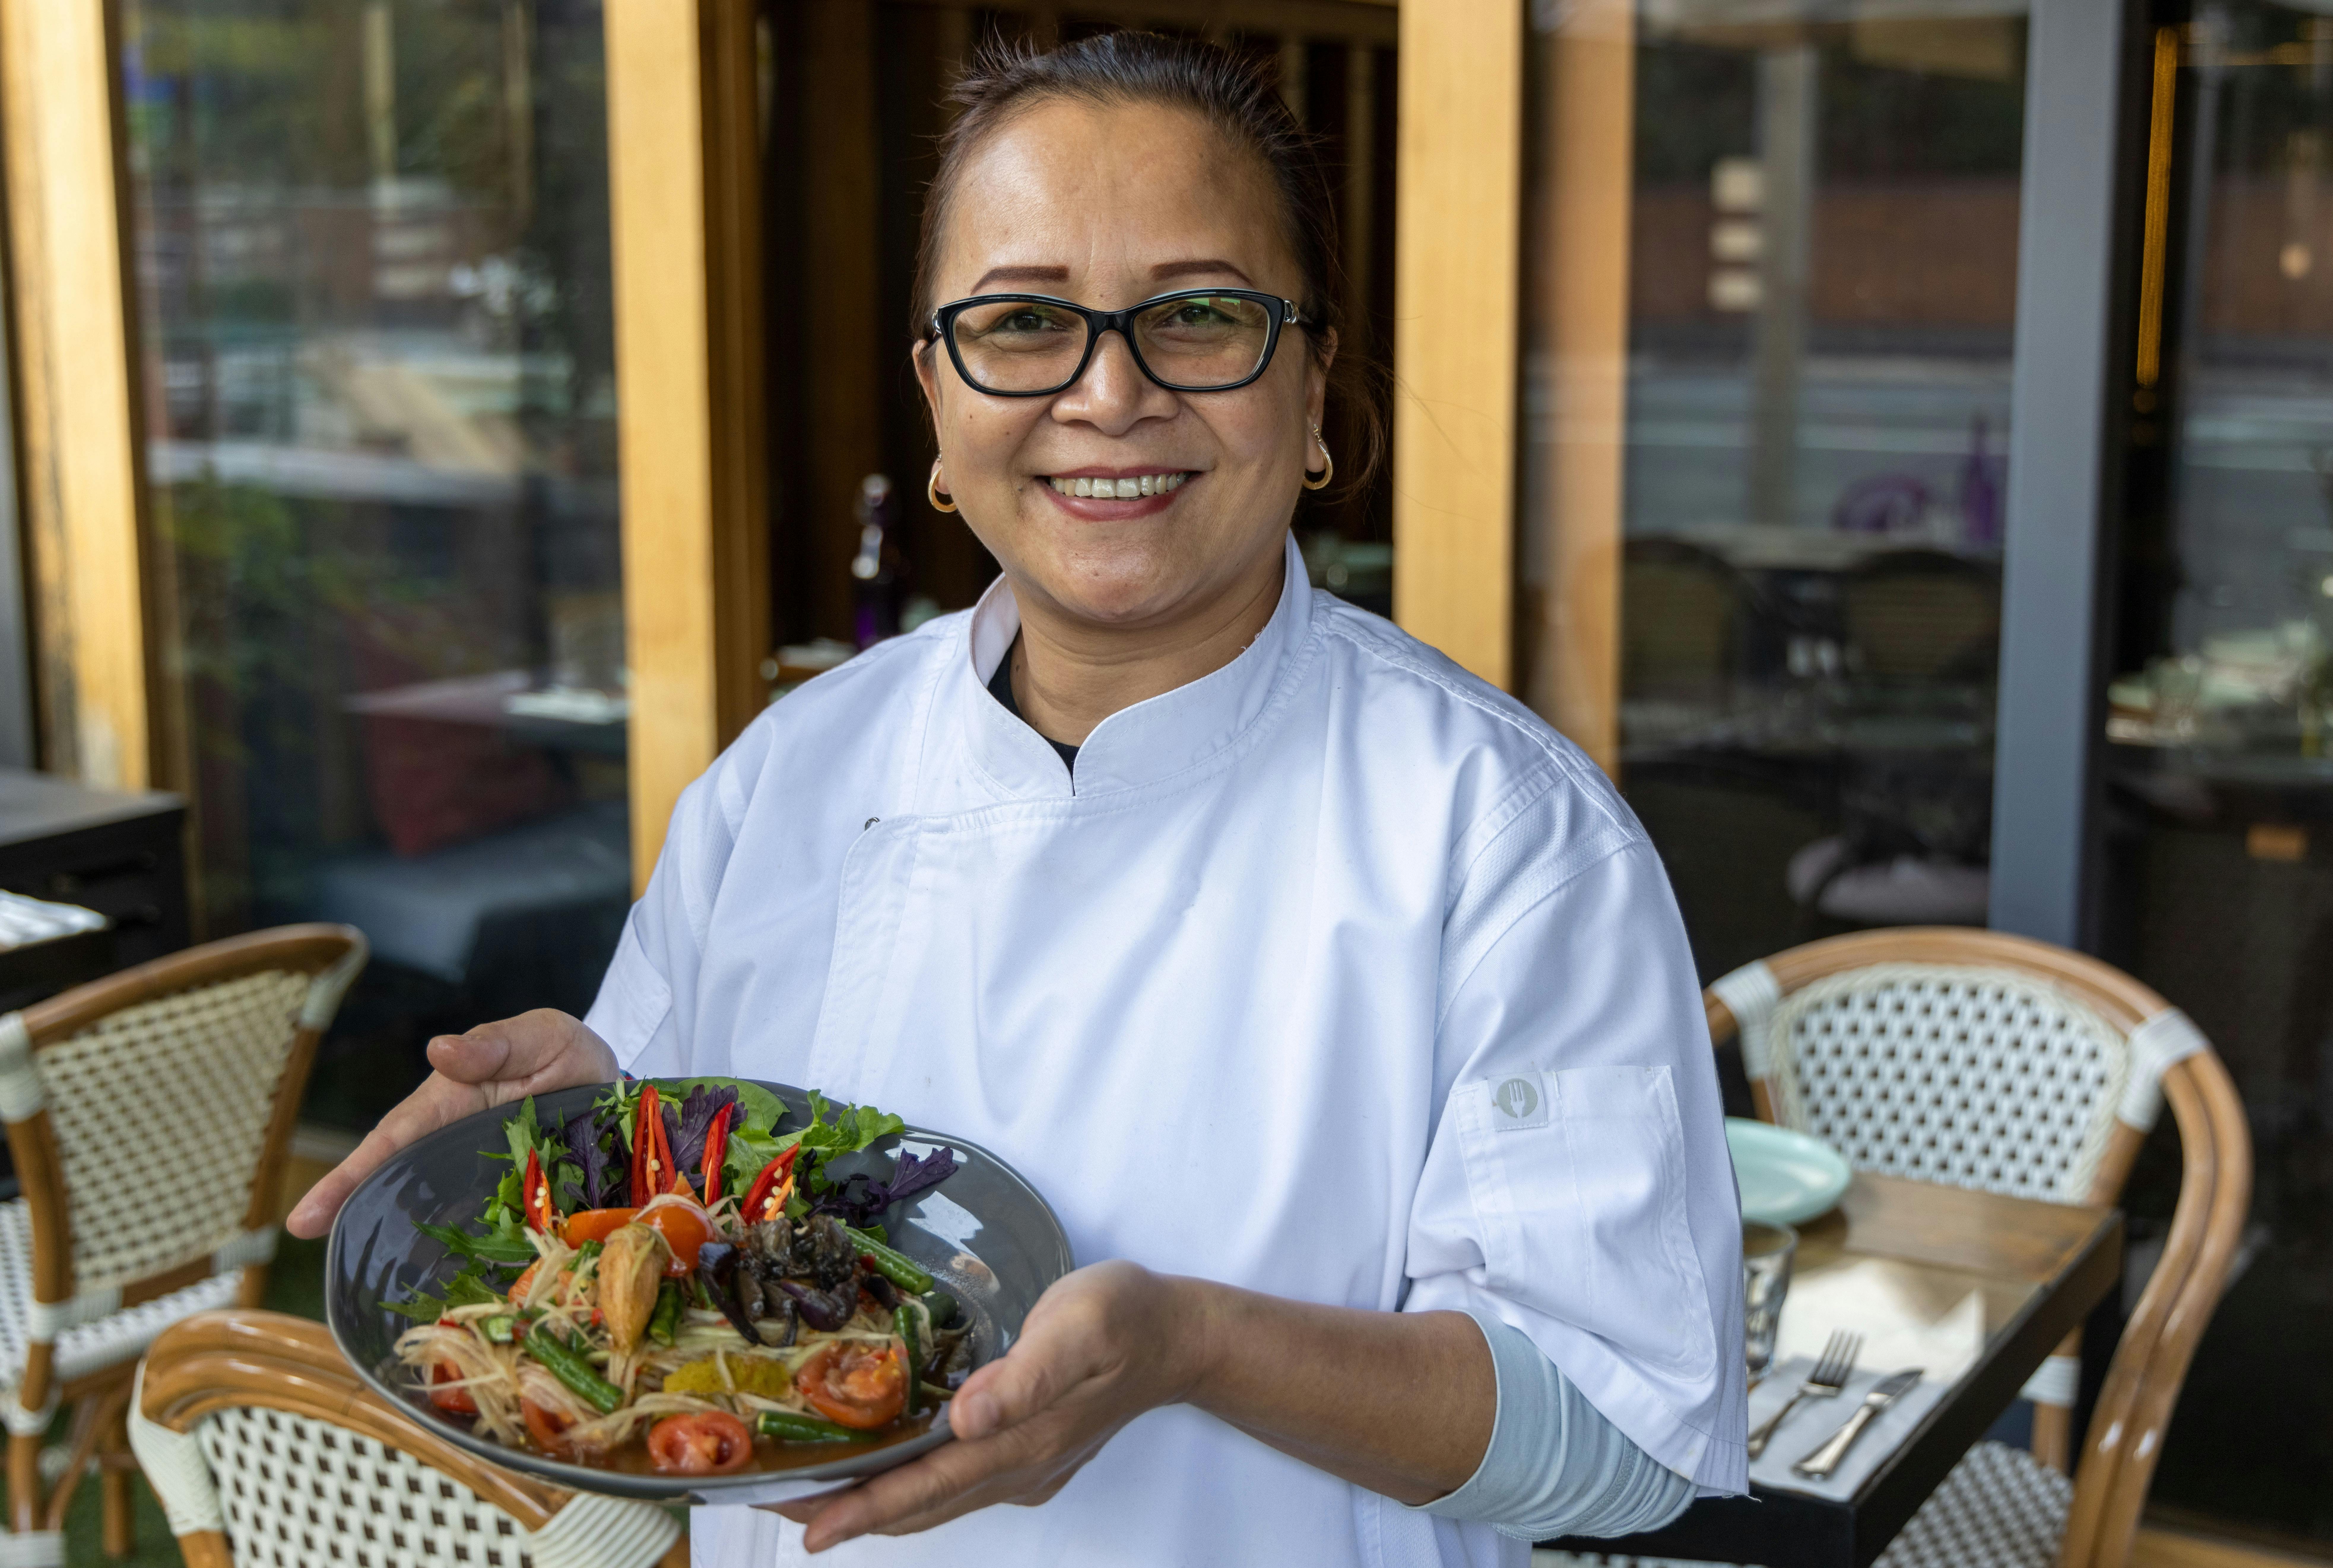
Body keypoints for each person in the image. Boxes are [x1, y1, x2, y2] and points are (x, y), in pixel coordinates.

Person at [291, 31, 1747, 1566]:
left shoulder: (1498, 829)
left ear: (1314, 387)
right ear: (937, 395)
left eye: (1197, 318)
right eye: (1022, 322)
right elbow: (673, 1231)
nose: (1106, 392)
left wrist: (1196, 1346)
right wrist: (586, 1130)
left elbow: (1617, 1442)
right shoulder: (785, 779)